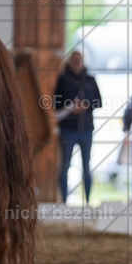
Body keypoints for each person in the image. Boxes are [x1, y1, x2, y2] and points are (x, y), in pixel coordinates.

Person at [53, 50, 102, 204]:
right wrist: (70, 108)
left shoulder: (90, 80)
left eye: (79, 60)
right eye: (73, 60)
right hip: (67, 129)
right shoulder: (62, 79)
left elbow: (99, 102)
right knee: (65, 166)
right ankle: (64, 202)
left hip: (86, 130)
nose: (76, 63)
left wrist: (85, 106)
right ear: (69, 62)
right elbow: (55, 103)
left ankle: (87, 202)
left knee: (86, 166)